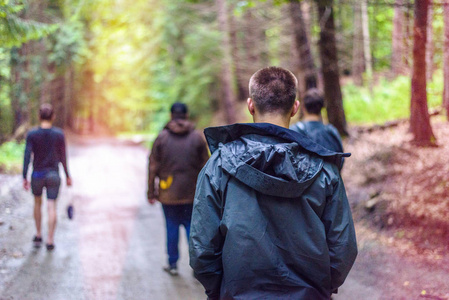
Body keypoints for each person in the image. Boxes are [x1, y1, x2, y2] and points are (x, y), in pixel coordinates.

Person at [189, 67, 357, 299]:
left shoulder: (219, 166)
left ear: (250, 105)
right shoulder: (325, 170)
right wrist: (319, 288)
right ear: (295, 108)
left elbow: (202, 249)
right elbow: (343, 248)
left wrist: (222, 289)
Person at [147, 102, 209, 276]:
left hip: (169, 194)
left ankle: (173, 264)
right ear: (187, 115)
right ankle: (197, 267)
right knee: (192, 229)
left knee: (171, 227)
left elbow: (152, 167)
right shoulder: (197, 137)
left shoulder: (162, 138)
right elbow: (207, 166)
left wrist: (151, 192)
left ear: (171, 115)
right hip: (192, 194)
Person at [23, 103, 72, 251]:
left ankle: (38, 235)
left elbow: (27, 156)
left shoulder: (32, 134)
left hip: (37, 174)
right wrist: (68, 175)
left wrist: (24, 176)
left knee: (37, 204)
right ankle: (50, 240)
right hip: (53, 175)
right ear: (53, 117)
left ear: (39, 116)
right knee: (52, 206)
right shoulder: (59, 134)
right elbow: (63, 157)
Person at [290, 88, 344, 154]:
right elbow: (340, 157)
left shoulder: (294, 131)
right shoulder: (331, 131)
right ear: (322, 107)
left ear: (303, 107)